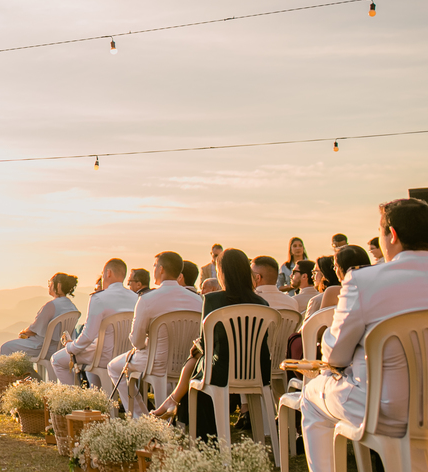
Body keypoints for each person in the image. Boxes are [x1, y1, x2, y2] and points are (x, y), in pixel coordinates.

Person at [301, 198, 428, 472]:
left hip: (388, 412)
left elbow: (334, 356)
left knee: (311, 396)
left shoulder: (364, 280)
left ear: (391, 234)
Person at [151, 248, 271, 440]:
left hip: (222, 371)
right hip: (257, 370)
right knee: (198, 362)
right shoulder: (262, 304)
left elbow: (205, 344)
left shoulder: (213, 300)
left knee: (197, 363)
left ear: (222, 273)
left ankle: (176, 407)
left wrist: (197, 348)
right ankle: (172, 402)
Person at [106, 251, 202, 418]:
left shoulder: (147, 299)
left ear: (161, 269)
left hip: (156, 361)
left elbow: (136, 341)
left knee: (113, 367)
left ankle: (140, 415)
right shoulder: (198, 300)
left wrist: (144, 346)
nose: (154, 269)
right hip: (187, 363)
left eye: (155, 265)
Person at [50, 259, 137, 388]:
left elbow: (88, 336)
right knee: (91, 357)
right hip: (125, 355)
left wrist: (70, 347)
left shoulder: (98, 298)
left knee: (57, 360)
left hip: (103, 355)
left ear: (108, 273)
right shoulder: (135, 298)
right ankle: (96, 396)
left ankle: (75, 401)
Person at [0, 273, 80, 372]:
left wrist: (23, 332)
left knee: (6, 347)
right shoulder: (72, 306)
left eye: (50, 282)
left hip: (43, 347)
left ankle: (9, 380)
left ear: (58, 285)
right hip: (61, 348)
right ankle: (31, 379)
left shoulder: (51, 305)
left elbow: (34, 329)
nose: (49, 285)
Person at [317, 245, 370, 312]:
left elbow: (321, 320)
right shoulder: (378, 288)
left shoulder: (334, 292)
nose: (334, 269)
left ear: (343, 268)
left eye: (336, 266)